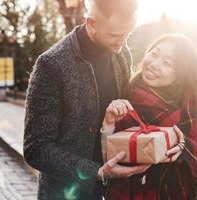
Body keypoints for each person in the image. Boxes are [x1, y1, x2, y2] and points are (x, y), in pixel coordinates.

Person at [23, 0, 150, 199]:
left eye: (128, 33)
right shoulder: (50, 64)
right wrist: (97, 172)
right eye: (115, 35)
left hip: (115, 191)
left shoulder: (122, 54)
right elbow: (36, 149)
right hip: (64, 193)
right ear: (91, 23)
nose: (123, 42)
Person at [100, 34, 197, 200]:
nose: (154, 64)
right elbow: (106, 159)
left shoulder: (196, 109)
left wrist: (185, 148)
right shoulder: (124, 98)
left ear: (181, 74)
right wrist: (108, 125)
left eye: (167, 63)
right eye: (153, 54)